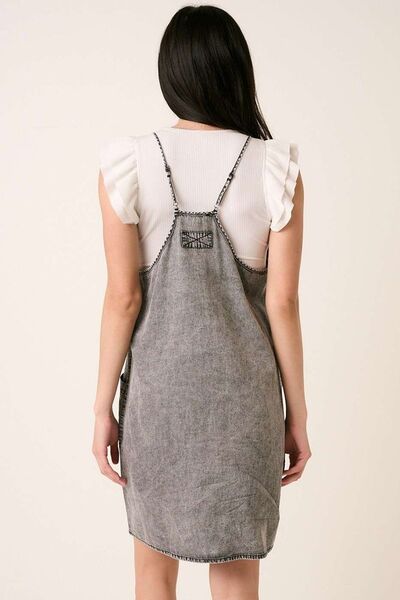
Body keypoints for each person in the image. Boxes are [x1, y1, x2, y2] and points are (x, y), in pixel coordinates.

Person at [92, 4, 311, 599]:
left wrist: (103, 407)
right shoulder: (275, 169)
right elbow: (283, 304)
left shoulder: (127, 164)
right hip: (246, 408)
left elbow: (122, 298)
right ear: (236, 70)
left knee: (152, 576)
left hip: (157, 403)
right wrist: (296, 415)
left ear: (172, 73)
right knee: (237, 580)